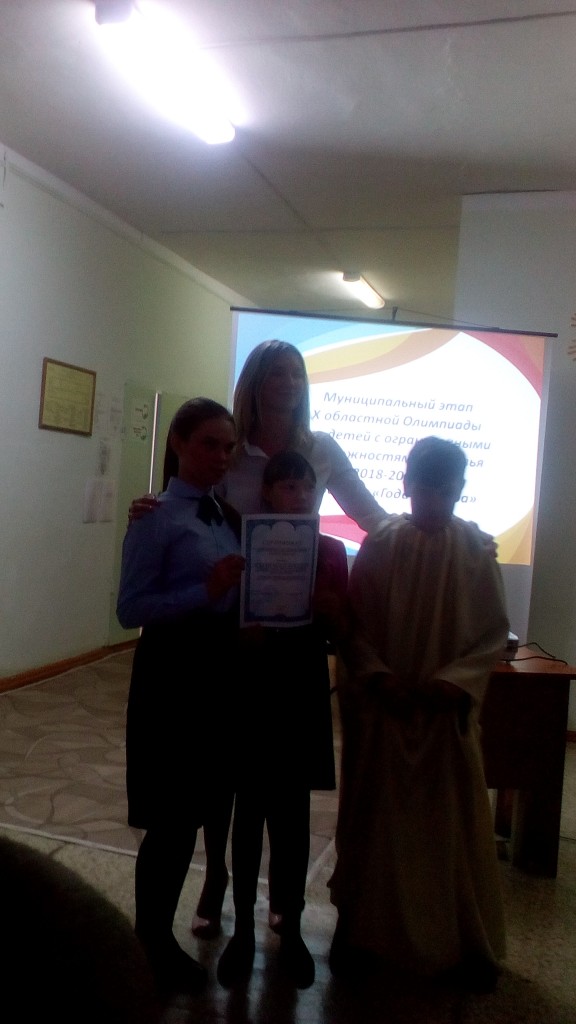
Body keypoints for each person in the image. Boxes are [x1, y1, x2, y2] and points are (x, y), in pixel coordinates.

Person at [129, 339, 389, 940]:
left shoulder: (321, 449)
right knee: (225, 776)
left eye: (296, 372)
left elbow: (373, 517)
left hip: (296, 637)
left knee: (286, 783)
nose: (289, 382)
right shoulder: (231, 451)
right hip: (233, 633)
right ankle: (217, 878)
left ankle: (284, 900)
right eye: (276, 373)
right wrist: (152, 505)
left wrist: (448, 532)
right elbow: (190, 506)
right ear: (254, 381)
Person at [328, 436, 509, 992]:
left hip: (442, 718)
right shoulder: (381, 544)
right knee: (376, 824)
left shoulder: (475, 550)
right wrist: (379, 676)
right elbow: (355, 627)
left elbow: (490, 634)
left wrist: (453, 685)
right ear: (406, 484)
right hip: (387, 713)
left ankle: (459, 939)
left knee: (449, 828)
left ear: (460, 489)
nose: (434, 499)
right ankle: (365, 934)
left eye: (446, 489)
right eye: (425, 488)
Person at [116, 397, 245, 996]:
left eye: (228, 446)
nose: (220, 456)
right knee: (169, 821)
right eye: (208, 444)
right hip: (171, 677)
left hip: (219, 677)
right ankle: (151, 941)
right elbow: (130, 609)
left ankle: (157, 937)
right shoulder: (155, 517)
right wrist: (205, 591)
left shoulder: (227, 516)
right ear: (177, 442)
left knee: (195, 813)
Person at [216, 450, 349, 989]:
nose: (298, 495)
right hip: (253, 687)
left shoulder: (330, 550)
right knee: (248, 813)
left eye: (306, 487)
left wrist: (331, 610)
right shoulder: (242, 545)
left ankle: (289, 927)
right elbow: (221, 615)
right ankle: (243, 930)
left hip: (301, 689)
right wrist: (240, 630)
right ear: (267, 492)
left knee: (293, 817)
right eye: (288, 486)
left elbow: (341, 632)